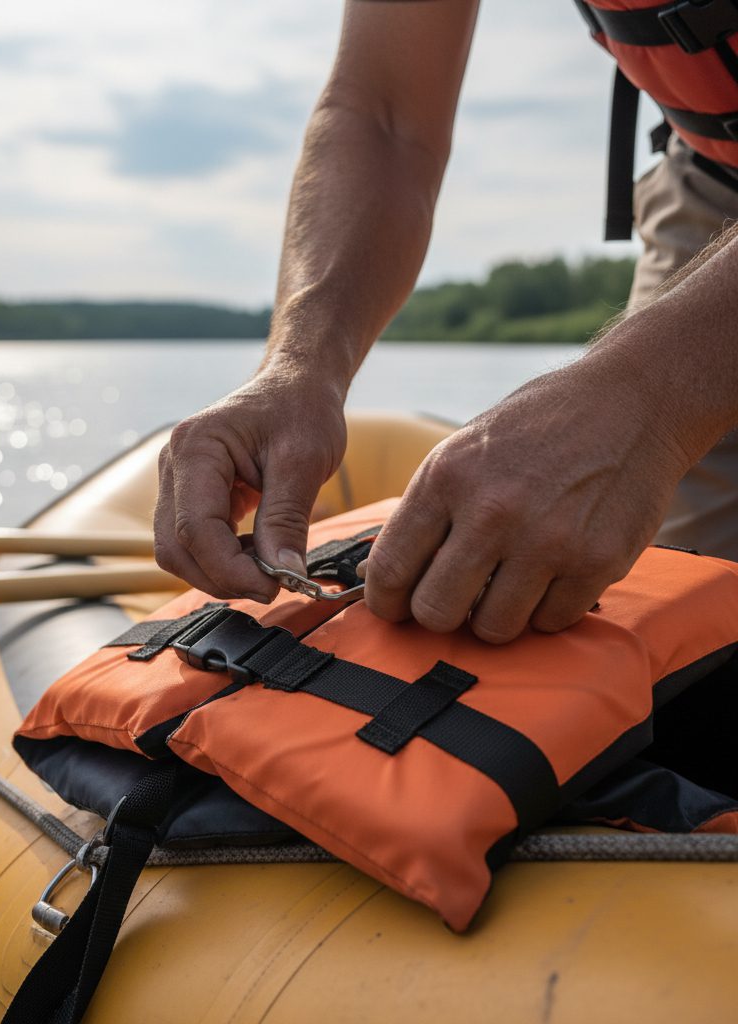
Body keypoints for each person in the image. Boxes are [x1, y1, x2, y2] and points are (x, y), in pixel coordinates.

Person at [153, 0, 738, 644]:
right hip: (714, 176)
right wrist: (299, 365)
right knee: (699, 594)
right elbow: (385, 116)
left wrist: (643, 401)